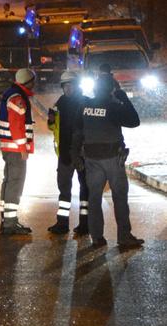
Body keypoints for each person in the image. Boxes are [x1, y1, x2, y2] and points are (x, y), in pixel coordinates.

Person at [71, 68, 143, 249]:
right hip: (112, 160)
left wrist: (74, 155)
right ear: (110, 89)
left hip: (91, 160)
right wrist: (121, 94)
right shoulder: (113, 107)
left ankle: (97, 238)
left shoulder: (84, 106)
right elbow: (134, 121)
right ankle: (124, 237)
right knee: (119, 198)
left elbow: (77, 132)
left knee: (94, 198)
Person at [46, 70, 89, 235]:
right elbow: (53, 127)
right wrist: (50, 120)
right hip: (64, 154)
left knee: (85, 188)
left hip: (82, 154)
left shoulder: (85, 102)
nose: (69, 89)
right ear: (63, 87)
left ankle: (85, 224)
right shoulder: (60, 103)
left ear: (77, 86)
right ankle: (62, 223)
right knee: (64, 189)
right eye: (66, 86)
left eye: (71, 85)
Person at [0, 68, 37, 236]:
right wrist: (23, 148)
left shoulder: (12, 93)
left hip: (9, 147)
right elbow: (16, 124)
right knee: (15, 183)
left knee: (8, 181)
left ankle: (6, 219)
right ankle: (10, 224)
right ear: (29, 82)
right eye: (33, 81)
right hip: (15, 148)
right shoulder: (18, 97)